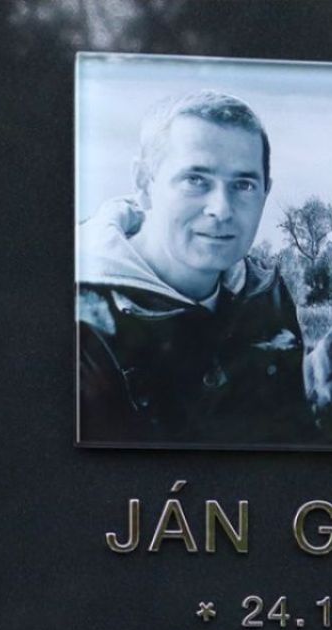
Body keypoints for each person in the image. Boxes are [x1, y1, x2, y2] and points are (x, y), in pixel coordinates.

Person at [77, 91, 316, 447]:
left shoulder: (267, 295)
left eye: (243, 185)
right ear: (144, 182)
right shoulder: (81, 317)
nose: (222, 208)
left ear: (266, 191)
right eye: (196, 180)